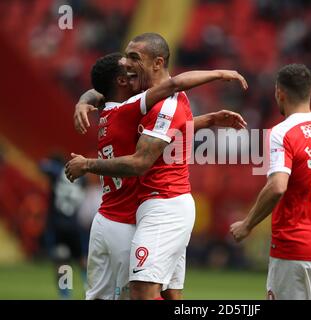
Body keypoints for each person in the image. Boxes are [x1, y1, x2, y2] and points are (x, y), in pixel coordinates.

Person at [66, 34, 248, 300]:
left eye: (134, 58)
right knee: (168, 294)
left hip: (162, 207)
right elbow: (106, 92)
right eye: (126, 58)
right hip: (143, 208)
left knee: (140, 291)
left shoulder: (151, 104)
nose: (127, 63)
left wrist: (87, 164)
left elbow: (143, 157)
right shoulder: (137, 101)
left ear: (157, 62)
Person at [230, 64, 311, 300]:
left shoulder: (281, 133)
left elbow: (278, 186)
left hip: (294, 246)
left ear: (279, 92)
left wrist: (247, 224)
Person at [39, 153, 87, 299]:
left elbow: (42, 165)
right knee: (81, 258)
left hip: (58, 225)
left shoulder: (56, 171)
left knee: (62, 260)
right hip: (74, 224)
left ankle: (65, 295)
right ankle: (90, 286)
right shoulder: (82, 177)